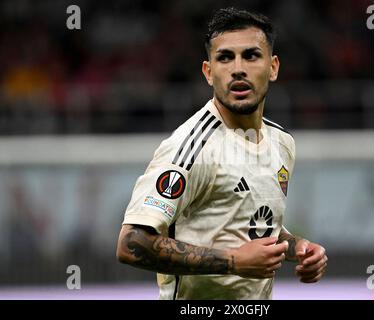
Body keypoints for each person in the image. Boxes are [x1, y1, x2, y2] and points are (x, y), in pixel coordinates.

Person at [116, 7, 327, 300]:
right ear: (208, 72)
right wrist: (234, 261)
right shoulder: (191, 148)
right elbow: (131, 243)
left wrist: (297, 247)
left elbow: (246, 223)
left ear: (273, 67)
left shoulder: (281, 142)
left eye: (251, 56)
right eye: (225, 57)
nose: (237, 68)